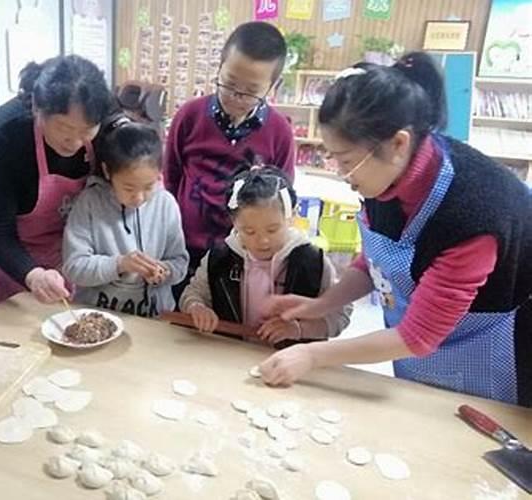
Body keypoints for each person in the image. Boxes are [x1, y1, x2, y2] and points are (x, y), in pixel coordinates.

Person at [260, 52, 532, 408]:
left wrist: (312, 356)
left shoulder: (473, 215)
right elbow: (376, 263)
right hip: (426, 342)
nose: (343, 174)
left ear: (398, 143)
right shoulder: (383, 178)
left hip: (499, 348)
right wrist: (320, 305)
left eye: (345, 160)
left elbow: (418, 336)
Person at [164, 21, 296, 299]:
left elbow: (282, 199)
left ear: (273, 86)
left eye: (250, 90)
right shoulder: (189, 116)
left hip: (244, 255)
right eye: (230, 83)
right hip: (184, 249)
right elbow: (171, 179)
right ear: (219, 66)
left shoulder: (279, 132)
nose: (236, 97)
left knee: (232, 326)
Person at [0, 55, 114, 308]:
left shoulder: (102, 121)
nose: (75, 141)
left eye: (86, 131)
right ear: (38, 108)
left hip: (74, 251)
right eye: (64, 128)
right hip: (13, 257)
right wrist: (34, 275)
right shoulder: (4, 136)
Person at [179, 167, 350, 345]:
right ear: (234, 223)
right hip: (230, 355)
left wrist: (299, 329)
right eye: (249, 231)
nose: (263, 241)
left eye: (272, 229)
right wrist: (196, 307)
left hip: (291, 360)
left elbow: (340, 314)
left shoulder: (313, 261)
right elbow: (193, 293)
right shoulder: (220, 257)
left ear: (291, 216)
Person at [62, 117, 188, 317]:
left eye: (148, 187)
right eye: (129, 187)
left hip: (155, 320)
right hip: (97, 317)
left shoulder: (166, 204)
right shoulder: (90, 202)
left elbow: (180, 262)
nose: (139, 198)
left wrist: (164, 271)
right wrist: (119, 264)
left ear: (159, 173)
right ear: (107, 171)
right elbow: (74, 267)